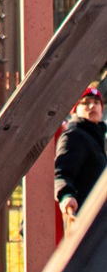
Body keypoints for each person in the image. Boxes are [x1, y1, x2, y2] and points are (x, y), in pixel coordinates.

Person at [55, 84, 107, 225]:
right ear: (74, 111)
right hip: (84, 217)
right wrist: (66, 195)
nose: (92, 106)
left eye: (96, 103)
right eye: (85, 103)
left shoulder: (97, 138)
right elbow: (62, 173)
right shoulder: (74, 136)